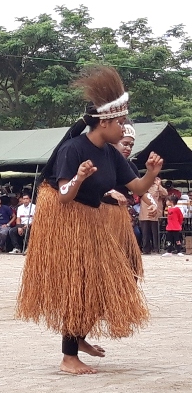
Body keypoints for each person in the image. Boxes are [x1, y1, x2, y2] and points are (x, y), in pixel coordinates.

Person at [16, 66, 163, 375]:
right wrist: (80, 177)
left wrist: (151, 173)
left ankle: (79, 338)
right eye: (121, 122)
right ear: (104, 122)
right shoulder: (73, 149)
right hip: (68, 219)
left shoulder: (111, 154)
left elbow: (135, 187)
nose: (124, 129)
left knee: (107, 282)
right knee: (79, 284)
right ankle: (68, 356)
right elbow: (64, 194)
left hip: (92, 221)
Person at [99, 122, 144, 276]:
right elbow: (94, 184)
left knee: (134, 241)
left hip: (125, 216)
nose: (128, 148)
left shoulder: (131, 166)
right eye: (124, 143)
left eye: (131, 145)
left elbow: (141, 188)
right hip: (102, 215)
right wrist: (110, 192)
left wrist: (150, 202)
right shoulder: (101, 162)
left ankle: (128, 285)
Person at [139, 177, 167, 254]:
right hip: (145, 213)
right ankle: (146, 249)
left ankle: (156, 249)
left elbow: (165, 194)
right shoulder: (143, 186)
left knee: (156, 233)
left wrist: (159, 186)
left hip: (155, 213)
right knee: (145, 233)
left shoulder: (158, 187)